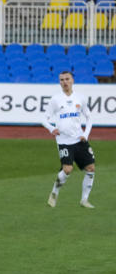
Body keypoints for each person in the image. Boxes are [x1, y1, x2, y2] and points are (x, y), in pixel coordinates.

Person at [43, 71, 96, 209]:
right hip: (64, 141)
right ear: (59, 82)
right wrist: (51, 128)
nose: (64, 82)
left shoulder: (81, 98)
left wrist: (86, 134)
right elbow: (43, 118)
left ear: (72, 80)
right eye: (61, 80)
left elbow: (89, 118)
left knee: (91, 168)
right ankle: (54, 193)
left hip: (79, 139)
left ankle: (84, 200)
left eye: (67, 79)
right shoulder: (55, 99)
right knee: (67, 169)